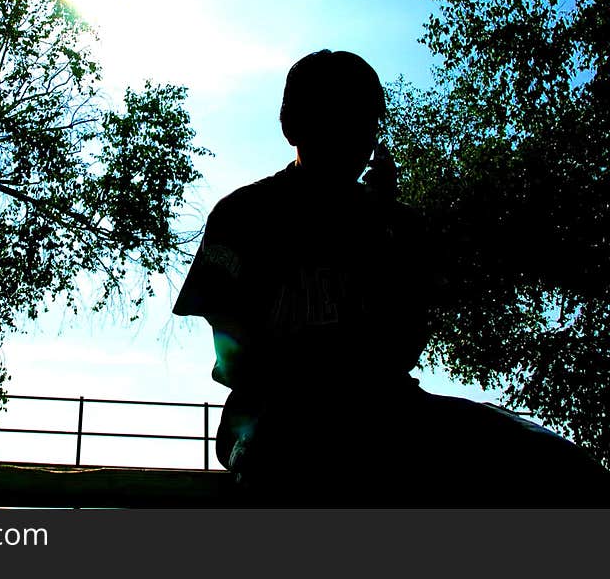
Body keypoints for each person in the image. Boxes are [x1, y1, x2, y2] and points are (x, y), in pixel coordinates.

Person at [173, 50, 610, 506]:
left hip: (389, 411)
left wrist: (379, 233)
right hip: (274, 419)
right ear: (293, 126)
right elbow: (235, 352)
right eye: (335, 116)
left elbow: (404, 344)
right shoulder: (241, 216)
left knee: (569, 473)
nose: (355, 135)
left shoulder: (398, 226)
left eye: (366, 120)